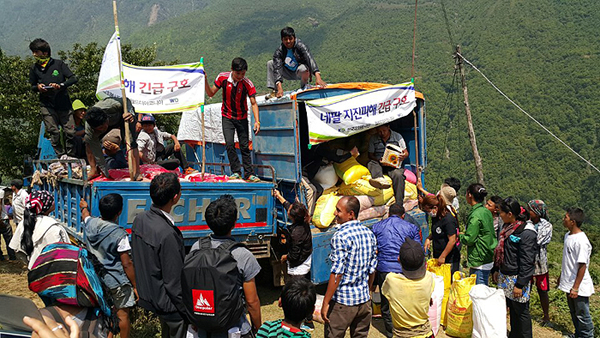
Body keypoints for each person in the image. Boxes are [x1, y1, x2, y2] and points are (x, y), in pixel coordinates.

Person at [189, 195, 262, 338]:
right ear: (234, 223)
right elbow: (252, 302)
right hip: (235, 329)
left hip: (203, 327)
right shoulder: (242, 254)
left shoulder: (196, 247)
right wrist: (258, 328)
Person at [131, 173, 186, 338]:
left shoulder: (140, 219)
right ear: (175, 197)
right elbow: (174, 282)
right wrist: (187, 310)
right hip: (169, 305)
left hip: (152, 296)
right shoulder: (167, 234)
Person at [80, 194, 137, 338]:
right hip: (116, 281)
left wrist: (84, 207)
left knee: (108, 311)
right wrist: (135, 286)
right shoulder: (119, 234)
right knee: (123, 315)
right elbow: (126, 263)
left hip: (98, 279)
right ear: (119, 212)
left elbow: (85, 216)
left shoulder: (90, 224)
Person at [321, 196, 377, 338]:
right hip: (364, 302)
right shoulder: (369, 233)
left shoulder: (340, 236)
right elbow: (372, 269)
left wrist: (326, 302)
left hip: (343, 303)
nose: (335, 213)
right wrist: (368, 291)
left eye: (339, 211)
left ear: (350, 214)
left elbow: (337, 273)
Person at [205, 57, 261, 182]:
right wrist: (205, 80)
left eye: (243, 74)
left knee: (244, 146)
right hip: (227, 117)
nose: (240, 76)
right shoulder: (222, 78)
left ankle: (249, 174)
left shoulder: (247, 84)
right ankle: (236, 171)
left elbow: (253, 103)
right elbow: (210, 93)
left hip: (242, 117)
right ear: (232, 70)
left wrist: (257, 121)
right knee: (229, 144)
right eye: (238, 73)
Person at [371, 203, 422, 338]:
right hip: (404, 270)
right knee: (404, 300)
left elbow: (373, 247)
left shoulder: (377, 227)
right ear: (403, 215)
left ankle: (390, 333)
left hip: (384, 270)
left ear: (388, 214)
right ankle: (405, 328)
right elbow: (418, 249)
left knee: (386, 303)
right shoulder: (411, 228)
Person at [492, 197, 537, 338]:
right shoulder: (506, 228)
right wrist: (496, 269)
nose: (500, 216)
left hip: (517, 278)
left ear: (510, 214)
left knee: (521, 311)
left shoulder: (526, 233)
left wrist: (520, 284)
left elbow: (527, 261)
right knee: (512, 309)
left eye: (502, 213)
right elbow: (501, 251)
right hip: (505, 275)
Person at [28, 38, 78, 157]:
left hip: (63, 104)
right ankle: (61, 156)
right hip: (47, 105)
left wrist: (61, 85)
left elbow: (73, 78)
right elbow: (32, 86)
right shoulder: (34, 68)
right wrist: (38, 87)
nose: (34, 54)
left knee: (70, 132)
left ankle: (71, 156)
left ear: (45, 52)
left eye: (36, 51)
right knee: (53, 132)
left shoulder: (58, 64)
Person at [382, 238, 435, 338]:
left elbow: (386, 293)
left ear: (399, 260)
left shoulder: (391, 280)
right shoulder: (429, 277)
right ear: (424, 263)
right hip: (426, 334)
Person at [558, 208, 594, 338]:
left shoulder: (581, 241)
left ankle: (587, 336)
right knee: (574, 311)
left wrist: (576, 287)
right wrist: (562, 277)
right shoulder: (568, 236)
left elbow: (582, 265)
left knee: (582, 314)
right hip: (569, 282)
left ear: (572, 222)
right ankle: (578, 334)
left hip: (578, 285)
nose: (563, 219)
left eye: (566, 217)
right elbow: (568, 261)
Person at [9, 190, 68, 269]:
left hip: (34, 271)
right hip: (51, 274)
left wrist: (30, 263)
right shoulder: (54, 227)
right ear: (47, 206)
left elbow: (17, 249)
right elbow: (65, 254)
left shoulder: (24, 223)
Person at [84, 97, 141, 180]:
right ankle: (94, 170)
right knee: (88, 142)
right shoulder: (89, 128)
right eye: (100, 128)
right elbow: (96, 151)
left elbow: (126, 100)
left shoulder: (111, 105)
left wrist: (130, 113)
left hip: (123, 116)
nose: (104, 128)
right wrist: (105, 171)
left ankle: (136, 172)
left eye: (104, 125)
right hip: (102, 124)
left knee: (131, 142)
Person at [266, 26, 326, 98]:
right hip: (287, 72)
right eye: (285, 39)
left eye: (290, 39)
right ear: (282, 40)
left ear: (294, 38)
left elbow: (309, 58)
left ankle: (304, 87)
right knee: (270, 63)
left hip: (300, 72)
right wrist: (280, 88)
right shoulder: (279, 51)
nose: (288, 41)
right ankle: (275, 91)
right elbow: (277, 69)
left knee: (303, 68)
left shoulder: (301, 46)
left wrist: (318, 77)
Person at [460, 183, 497, 285]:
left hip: (479, 258)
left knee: (479, 293)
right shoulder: (486, 212)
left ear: (470, 195)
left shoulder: (475, 215)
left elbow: (470, 239)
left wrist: (459, 236)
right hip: (487, 255)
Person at [526, 200, 552, 325]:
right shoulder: (528, 222)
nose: (528, 211)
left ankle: (546, 315)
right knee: (527, 286)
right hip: (528, 260)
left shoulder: (546, 226)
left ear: (536, 212)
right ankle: (525, 310)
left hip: (540, 262)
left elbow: (538, 240)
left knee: (542, 289)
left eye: (530, 209)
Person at [367, 124, 408, 203]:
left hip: (393, 165)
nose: (382, 133)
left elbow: (405, 152)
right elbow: (370, 155)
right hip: (379, 163)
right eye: (379, 131)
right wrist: (378, 160)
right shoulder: (373, 138)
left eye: (384, 131)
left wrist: (403, 156)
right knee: (371, 163)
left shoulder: (397, 137)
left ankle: (399, 202)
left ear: (388, 127)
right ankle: (380, 180)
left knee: (399, 175)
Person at [422, 193, 461, 276]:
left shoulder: (448, 220)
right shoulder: (436, 217)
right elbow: (436, 231)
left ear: (435, 208)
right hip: (438, 254)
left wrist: (443, 256)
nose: (428, 213)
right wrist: (429, 238)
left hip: (449, 258)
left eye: (428, 211)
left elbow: (452, 240)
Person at [0, 191, 16, 261]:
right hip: (3, 219)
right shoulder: (0, 191)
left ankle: (1, 257)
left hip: (2, 219)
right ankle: (12, 257)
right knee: (9, 239)